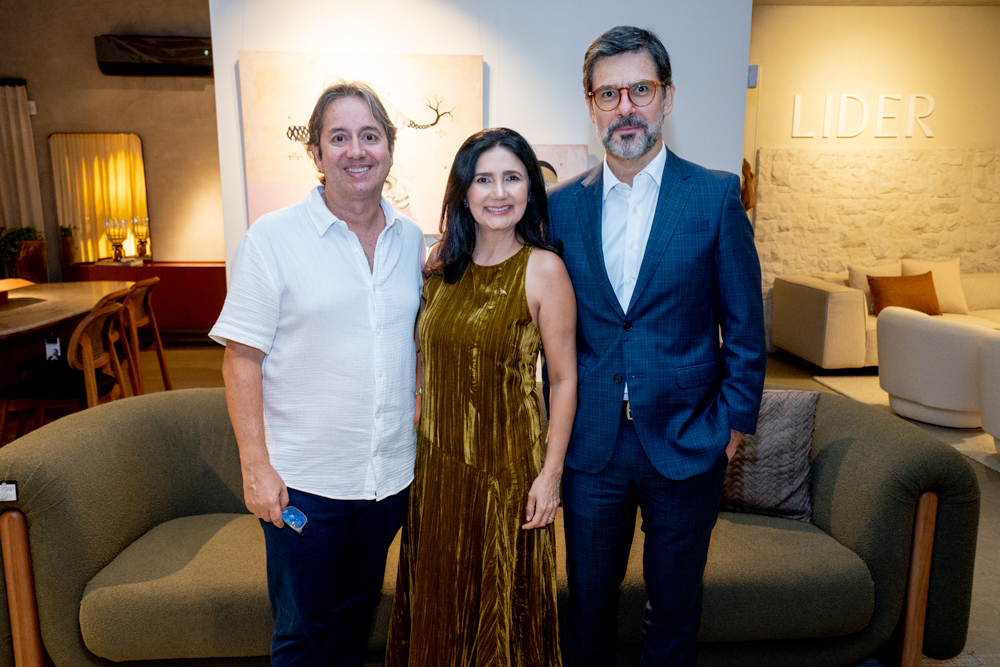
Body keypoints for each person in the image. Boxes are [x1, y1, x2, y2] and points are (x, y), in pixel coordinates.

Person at [545, 26, 767, 666]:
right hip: (591, 446)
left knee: (672, 613)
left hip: (689, 439)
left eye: (639, 90)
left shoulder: (715, 196)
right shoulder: (561, 208)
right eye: (608, 94)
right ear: (591, 107)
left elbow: (746, 327)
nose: (625, 108)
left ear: (667, 97)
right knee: (586, 611)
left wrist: (731, 429)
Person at [209, 81, 425, 666]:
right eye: (339, 138)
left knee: (355, 617)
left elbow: (415, 340)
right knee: (303, 632)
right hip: (303, 484)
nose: (356, 151)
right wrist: (255, 468)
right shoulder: (272, 239)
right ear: (316, 152)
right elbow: (240, 358)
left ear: (389, 147)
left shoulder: (411, 239)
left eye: (370, 136)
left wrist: (418, 400)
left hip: (386, 481)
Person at [386, 128, 578, 666]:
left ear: (530, 189)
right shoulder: (438, 266)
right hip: (437, 469)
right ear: (463, 191)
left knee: (500, 615)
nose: (498, 193)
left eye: (512, 178)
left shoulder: (544, 270)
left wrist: (551, 475)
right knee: (439, 605)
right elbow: (422, 354)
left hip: (506, 472)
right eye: (483, 179)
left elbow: (564, 379)